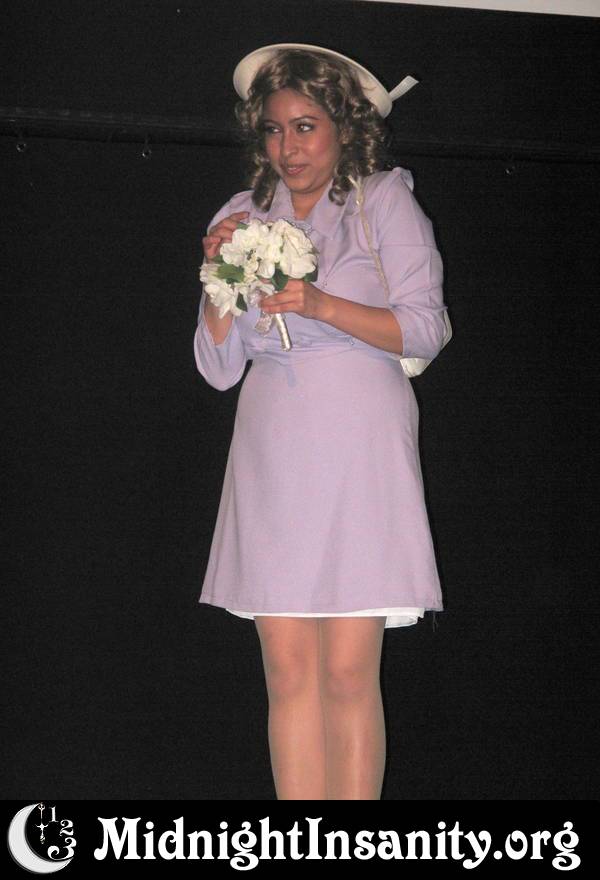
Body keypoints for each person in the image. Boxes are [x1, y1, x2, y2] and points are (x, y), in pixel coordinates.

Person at [194, 44, 450, 800]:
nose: (289, 147)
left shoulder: (383, 200)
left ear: (344, 128)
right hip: (273, 444)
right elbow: (216, 368)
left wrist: (320, 304)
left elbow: (426, 328)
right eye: (274, 130)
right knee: (287, 671)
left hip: (359, 440)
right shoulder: (242, 215)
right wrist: (219, 281)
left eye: (305, 126)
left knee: (345, 671)